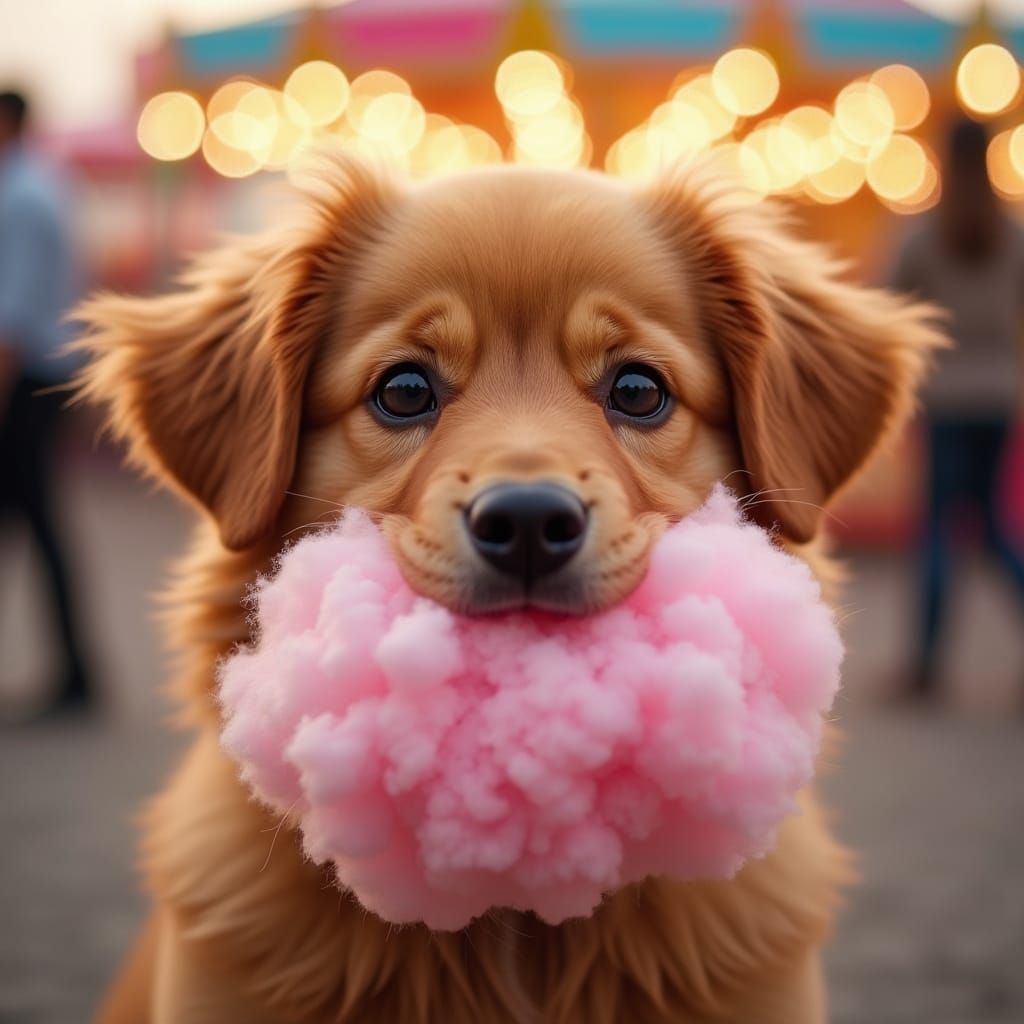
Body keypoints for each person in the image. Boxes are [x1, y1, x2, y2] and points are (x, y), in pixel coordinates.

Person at [890, 116, 1024, 700]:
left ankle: (925, 670)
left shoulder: (924, 237)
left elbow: (887, 312)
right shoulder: (1012, 235)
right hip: (998, 396)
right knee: (993, 528)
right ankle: (926, 667)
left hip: (943, 400)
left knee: (940, 531)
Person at [0, 88, 92, 715]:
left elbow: (12, 317)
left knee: (37, 523)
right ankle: (76, 673)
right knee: (36, 523)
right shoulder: (43, 183)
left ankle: (77, 675)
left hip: (24, 378)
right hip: (38, 376)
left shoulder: (23, 195)